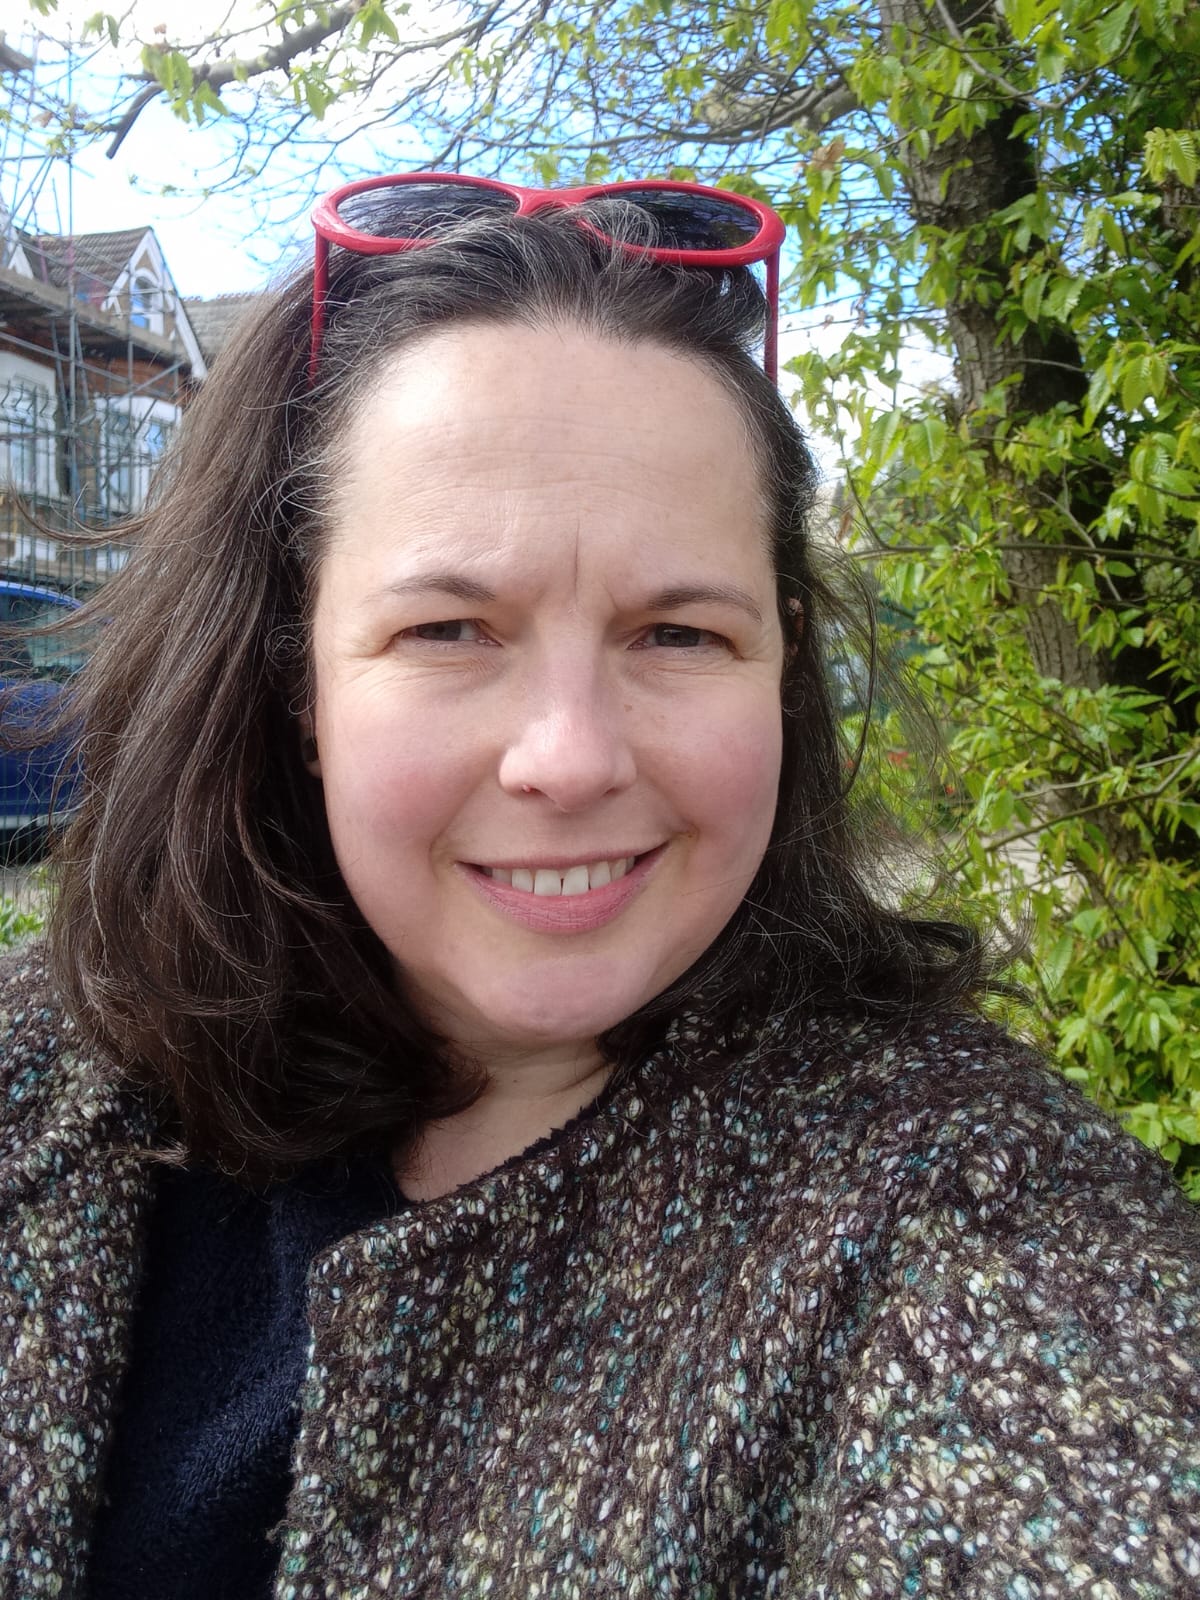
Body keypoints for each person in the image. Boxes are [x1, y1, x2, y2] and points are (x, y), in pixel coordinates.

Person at [1, 172, 1198, 1600]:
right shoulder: (44, 1077)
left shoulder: (970, 1210)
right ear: (299, 679)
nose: (568, 759)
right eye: (451, 629)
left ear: (783, 663)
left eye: (678, 636)